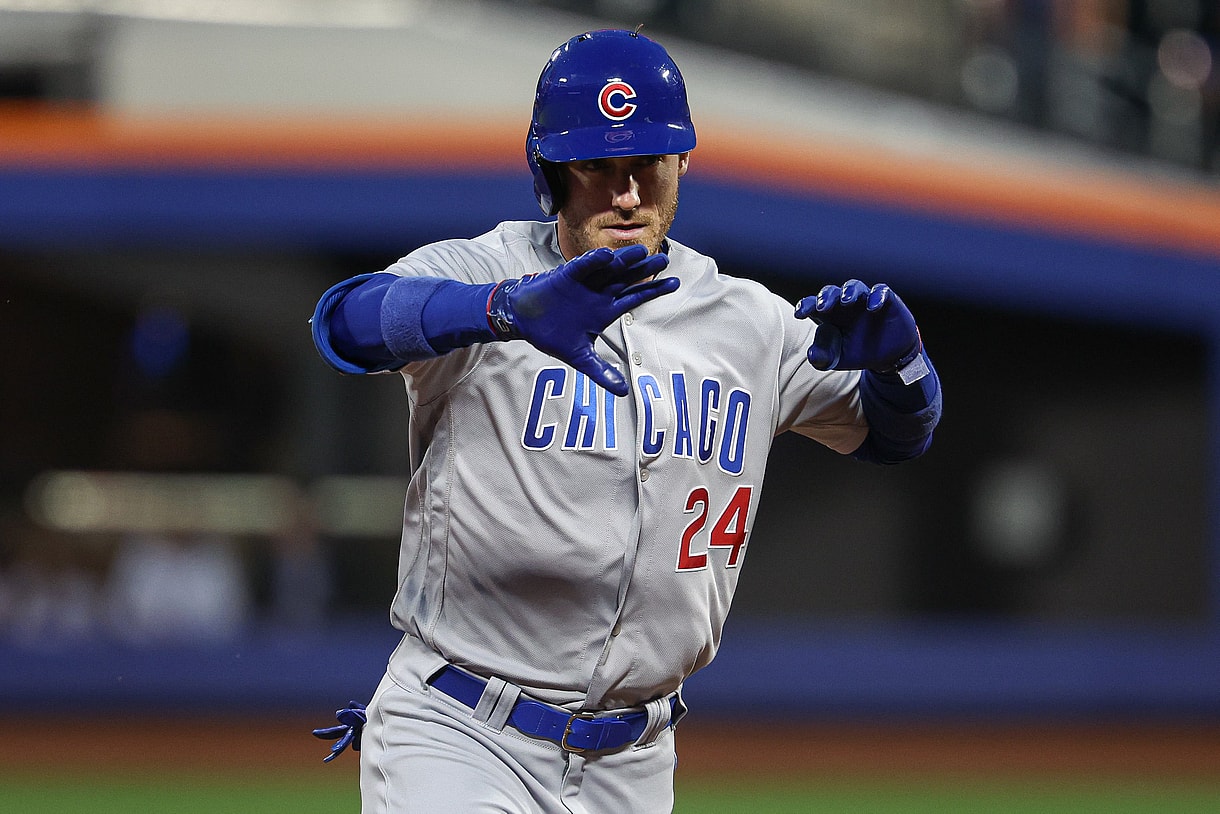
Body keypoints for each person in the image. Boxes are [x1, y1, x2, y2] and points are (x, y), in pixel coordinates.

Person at [309, 28, 942, 814]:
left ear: (681, 164)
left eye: (646, 165)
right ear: (550, 173)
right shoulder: (486, 273)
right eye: (595, 167)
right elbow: (344, 323)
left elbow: (895, 432)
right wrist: (498, 313)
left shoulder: (749, 322)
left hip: (634, 765)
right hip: (461, 735)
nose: (626, 194)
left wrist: (902, 362)